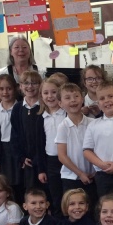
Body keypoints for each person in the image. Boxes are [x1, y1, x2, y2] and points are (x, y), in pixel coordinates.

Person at [55, 83, 97, 205]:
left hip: (92, 176)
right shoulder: (63, 126)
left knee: (92, 207)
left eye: (76, 96)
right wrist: (80, 174)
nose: (73, 100)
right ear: (60, 103)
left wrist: (96, 171)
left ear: (82, 99)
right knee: (73, 208)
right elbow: (62, 156)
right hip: (71, 177)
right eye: (67, 98)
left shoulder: (93, 123)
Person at [37, 78, 66, 217]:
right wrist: (41, 169)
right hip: (51, 162)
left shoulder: (67, 114)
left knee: (69, 195)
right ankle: (58, 223)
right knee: (55, 196)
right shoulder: (41, 117)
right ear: (41, 96)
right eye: (46, 93)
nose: (50, 96)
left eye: (54, 92)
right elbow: (39, 146)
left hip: (68, 160)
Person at [10, 70, 43, 193]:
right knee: (29, 192)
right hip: (25, 160)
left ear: (40, 85)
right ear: (20, 86)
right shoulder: (18, 108)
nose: (30, 86)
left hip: (42, 158)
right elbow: (15, 135)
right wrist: (21, 157)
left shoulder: (44, 106)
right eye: (26, 83)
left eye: (34, 83)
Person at [0, 36, 44, 109]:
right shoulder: (1, 74)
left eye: (24, 47)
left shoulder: (41, 73)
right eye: (17, 47)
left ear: (30, 51)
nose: (21, 50)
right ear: (11, 52)